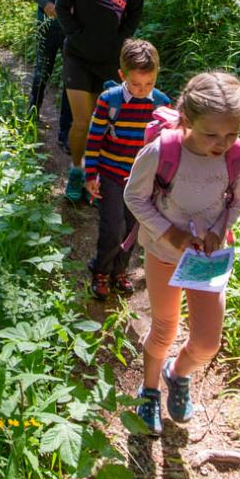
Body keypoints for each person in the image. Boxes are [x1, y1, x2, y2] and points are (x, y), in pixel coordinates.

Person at [124, 72, 240, 436]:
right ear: (187, 119)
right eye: (212, 134)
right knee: (164, 329)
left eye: (231, 133)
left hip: (206, 260)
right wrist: (170, 233)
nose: (223, 143)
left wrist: (217, 230)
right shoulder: (162, 152)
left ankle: (177, 374)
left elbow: (237, 200)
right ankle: (149, 390)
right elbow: (134, 197)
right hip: (165, 252)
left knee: (207, 341)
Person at [56, 0, 144, 202]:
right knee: (82, 121)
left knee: (104, 121)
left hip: (111, 58)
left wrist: (122, 40)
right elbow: (61, 6)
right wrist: (77, 35)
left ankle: (99, 177)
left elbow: (134, 11)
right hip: (78, 55)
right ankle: (77, 171)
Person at [84, 39, 170, 301]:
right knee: (113, 227)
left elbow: (167, 144)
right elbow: (94, 138)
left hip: (142, 180)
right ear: (122, 75)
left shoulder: (162, 103)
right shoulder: (109, 101)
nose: (143, 90)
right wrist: (90, 175)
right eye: (136, 84)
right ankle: (101, 270)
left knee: (133, 227)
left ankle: (119, 270)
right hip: (111, 174)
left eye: (149, 83)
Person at [23, 0, 86, 152]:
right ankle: (32, 117)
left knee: (71, 80)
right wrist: (45, 3)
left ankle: (65, 134)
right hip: (47, 26)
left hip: (72, 30)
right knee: (42, 73)